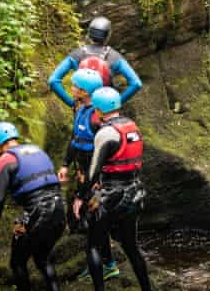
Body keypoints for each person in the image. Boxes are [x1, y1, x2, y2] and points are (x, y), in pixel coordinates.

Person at [76, 87, 150, 291]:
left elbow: (92, 172)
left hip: (111, 195)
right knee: (131, 246)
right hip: (135, 191)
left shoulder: (105, 132)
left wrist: (80, 198)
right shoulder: (133, 127)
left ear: (98, 110)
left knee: (93, 244)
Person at [0, 122, 65, 291]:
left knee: (17, 262)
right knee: (43, 258)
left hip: (38, 213)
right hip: (59, 209)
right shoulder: (37, 150)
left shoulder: (5, 159)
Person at [59, 68, 119, 281]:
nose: (72, 88)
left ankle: (108, 264)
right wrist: (66, 164)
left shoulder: (97, 116)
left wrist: (97, 181)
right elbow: (75, 138)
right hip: (82, 171)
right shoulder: (78, 107)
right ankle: (103, 262)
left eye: (75, 86)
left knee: (95, 219)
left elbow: (104, 149)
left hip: (96, 177)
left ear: (84, 91)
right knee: (89, 218)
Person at [47, 16, 142, 107]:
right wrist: (115, 104)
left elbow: (53, 81)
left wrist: (72, 103)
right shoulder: (115, 57)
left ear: (89, 34)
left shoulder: (77, 54)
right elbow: (136, 84)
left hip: (82, 110)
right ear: (108, 35)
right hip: (105, 112)